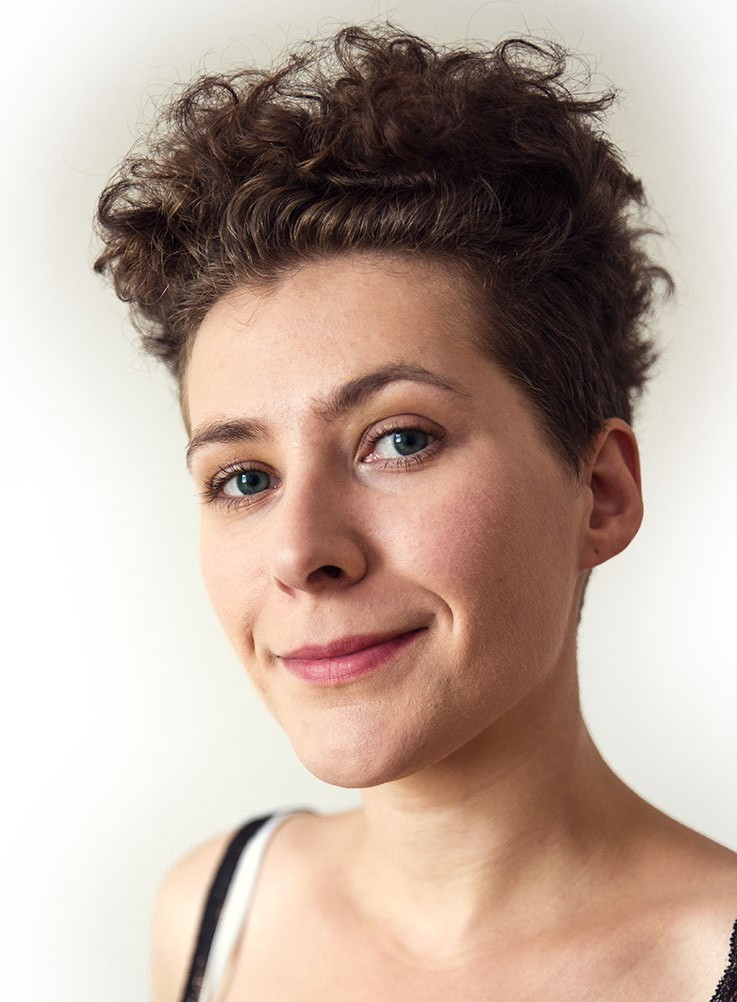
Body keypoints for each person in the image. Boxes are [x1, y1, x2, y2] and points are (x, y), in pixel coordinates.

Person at [94, 25, 737, 1002]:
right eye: (245, 479)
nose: (302, 552)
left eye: (398, 440)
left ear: (600, 493)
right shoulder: (213, 915)